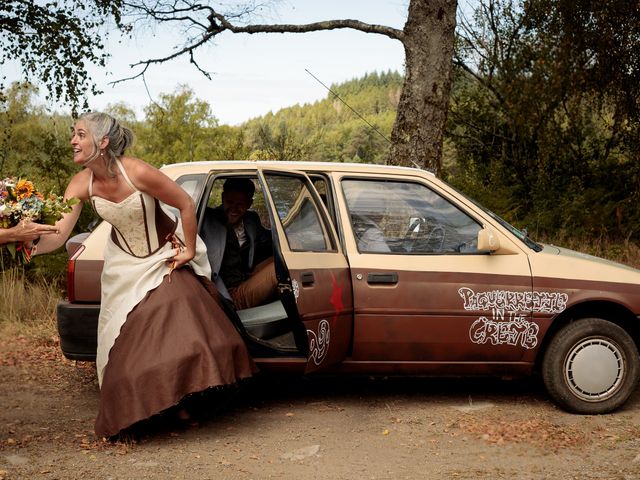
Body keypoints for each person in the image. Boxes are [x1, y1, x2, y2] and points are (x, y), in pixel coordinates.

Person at [35, 112, 256, 439]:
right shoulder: (80, 183)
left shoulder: (136, 171)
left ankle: (183, 401)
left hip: (164, 253)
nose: (73, 140)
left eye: (80, 134)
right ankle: (144, 409)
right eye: (74, 134)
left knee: (181, 328)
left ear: (103, 142)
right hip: (123, 266)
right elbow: (58, 234)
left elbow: (184, 204)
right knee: (126, 346)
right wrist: (27, 243)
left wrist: (189, 249)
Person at [200, 178, 278, 310]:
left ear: (249, 204)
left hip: (245, 278)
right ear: (223, 197)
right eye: (230, 202)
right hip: (229, 294)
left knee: (285, 257)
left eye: (240, 204)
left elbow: (269, 241)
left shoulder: (251, 220)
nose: (234, 208)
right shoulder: (207, 220)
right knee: (280, 268)